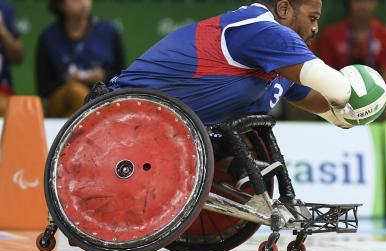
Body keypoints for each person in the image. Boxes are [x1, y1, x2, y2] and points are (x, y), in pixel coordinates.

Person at [110, 0, 361, 192]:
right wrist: (364, 95)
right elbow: (338, 90)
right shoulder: (260, 28)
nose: (316, 28)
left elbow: (327, 106)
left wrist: (350, 116)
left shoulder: (281, 63)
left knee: (244, 130)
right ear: (284, 8)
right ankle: (233, 166)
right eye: (313, 17)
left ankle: (233, 167)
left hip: (178, 127)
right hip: (124, 113)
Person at [316, 0, 386, 120]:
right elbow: (324, 72)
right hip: (337, 92)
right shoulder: (331, 34)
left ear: (376, 4)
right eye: (358, 1)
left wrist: (368, 96)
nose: (363, 6)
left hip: (375, 91)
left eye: (369, 2)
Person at [36, 0, 125, 117]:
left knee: (86, 99)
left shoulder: (109, 31)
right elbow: (43, 87)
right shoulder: (48, 37)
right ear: (60, 5)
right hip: (61, 100)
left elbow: (122, 76)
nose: (83, 3)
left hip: (103, 97)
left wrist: (103, 75)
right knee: (75, 91)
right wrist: (67, 80)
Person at [0, 1, 23, 116]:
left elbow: (17, 58)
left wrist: (3, 32)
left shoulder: (4, 10)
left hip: (2, 91)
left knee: (8, 109)